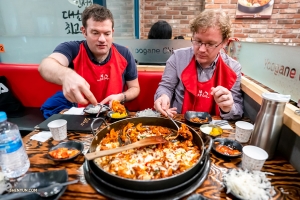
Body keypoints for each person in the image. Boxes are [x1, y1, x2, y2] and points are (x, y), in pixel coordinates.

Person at [38, 4, 140, 108]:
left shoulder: (124, 53)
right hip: (80, 113)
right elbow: (45, 66)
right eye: (95, 33)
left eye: (107, 33)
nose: (102, 39)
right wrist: (67, 75)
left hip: (112, 112)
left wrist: (121, 96)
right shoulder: (72, 48)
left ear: (112, 32)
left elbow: (135, 88)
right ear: (84, 31)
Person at [154, 9, 243, 120]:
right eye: (198, 41)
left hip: (212, 128)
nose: (201, 49)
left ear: (224, 42)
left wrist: (229, 107)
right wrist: (163, 97)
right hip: (179, 123)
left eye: (210, 44)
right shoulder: (178, 58)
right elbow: (166, 87)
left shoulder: (233, 68)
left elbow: (238, 110)